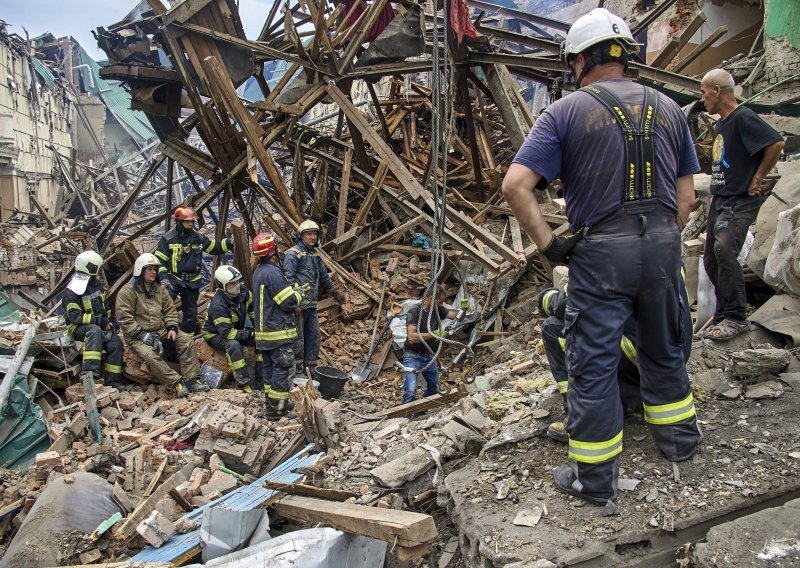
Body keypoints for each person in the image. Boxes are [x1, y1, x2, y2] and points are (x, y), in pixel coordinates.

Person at [502, 7, 702, 505]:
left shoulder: (566, 112)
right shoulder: (671, 108)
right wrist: (657, 238)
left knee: (591, 361)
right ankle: (679, 443)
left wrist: (552, 247)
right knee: (663, 345)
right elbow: (688, 200)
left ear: (581, 60)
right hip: (661, 247)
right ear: (625, 55)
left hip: (601, 253)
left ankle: (594, 480)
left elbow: (515, 186)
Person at [538, 275, 693, 442]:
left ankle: (584, 418)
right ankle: (631, 398)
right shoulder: (664, 251)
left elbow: (566, 304)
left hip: (640, 355)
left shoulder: (604, 258)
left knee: (553, 328)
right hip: (674, 353)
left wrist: (545, 297)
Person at [699, 69, 784, 340]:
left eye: (703, 92)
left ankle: (736, 316)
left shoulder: (743, 118)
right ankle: (723, 314)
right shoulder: (723, 123)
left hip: (740, 200)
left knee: (724, 249)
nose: (703, 99)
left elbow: (776, 142)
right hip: (722, 198)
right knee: (712, 261)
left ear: (716, 90)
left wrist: (757, 178)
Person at [116, 253, 210, 397]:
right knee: (151, 356)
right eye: (150, 269)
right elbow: (124, 317)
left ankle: (192, 380)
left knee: (186, 341)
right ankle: (176, 382)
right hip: (136, 336)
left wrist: (172, 327)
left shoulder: (159, 289)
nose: (153, 272)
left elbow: (169, 310)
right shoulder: (127, 291)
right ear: (140, 270)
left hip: (160, 329)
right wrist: (141, 334)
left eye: (155, 269)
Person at [155, 206, 234, 334]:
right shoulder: (168, 239)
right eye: (187, 221)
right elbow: (159, 261)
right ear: (179, 222)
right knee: (164, 306)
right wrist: (164, 279)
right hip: (173, 279)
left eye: (192, 221)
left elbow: (214, 248)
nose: (191, 224)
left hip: (192, 281)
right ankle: (163, 334)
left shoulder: (198, 238)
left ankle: (187, 338)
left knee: (191, 313)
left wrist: (229, 243)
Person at [283, 220, 346, 373]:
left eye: (315, 234)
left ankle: (310, 368)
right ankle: (296, 370)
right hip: (298, 304)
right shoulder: (293, 254)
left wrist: (334, 291)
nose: (312, 237)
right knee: (298, 338)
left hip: (310, 303)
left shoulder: (314, 254)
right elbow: (287, 280)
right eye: (309, 234)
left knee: (313, 336)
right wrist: (293, 304)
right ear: (301, 236)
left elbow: (323, 276)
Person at [252, 232, 303, 420]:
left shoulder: (259, 271)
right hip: (278, 334)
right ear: (271, 250)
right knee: (284, 371)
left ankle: (272, 405)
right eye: (276, 247)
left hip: (265, 336)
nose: (279, 250)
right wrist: (299, 292)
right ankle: (277, 410)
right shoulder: (273, 273)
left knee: (270, 373)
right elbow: (288, 302)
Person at [62, 250, 127, 390]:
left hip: (97, 324)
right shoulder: (72, 291)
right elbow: (75, 317)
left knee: (115, 342)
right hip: (77, 328)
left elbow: (104, 307)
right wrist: (99, 321)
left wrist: (110, 322)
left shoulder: (95, 285)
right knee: (94, 331)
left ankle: (113, 381)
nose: (98, 271)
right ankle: (90, 377)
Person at [403, 285, 468, 404]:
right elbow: (411, 337)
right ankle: (404, 419)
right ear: (431, 298)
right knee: (410, 390)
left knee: (435, 387)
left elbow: (457, 318)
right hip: (413, 355)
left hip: (428, 355)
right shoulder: (415, 311)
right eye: (440, 302)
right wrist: (434, 334)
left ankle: (420, 411)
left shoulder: (438, 309)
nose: (442, 305)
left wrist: (464, 310)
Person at [202, 265, 263, 392]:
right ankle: (243, 381)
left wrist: (257, 328)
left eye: (237, 282)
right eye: (232, 284)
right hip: (215, 335)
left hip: (234, 329)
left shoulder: (244, 292)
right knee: (233, 345)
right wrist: (251, 334)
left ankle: (261, 378)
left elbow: (252, 309)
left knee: (261, 340)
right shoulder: (218, 306)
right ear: (222, 285)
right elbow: (227, 334)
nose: (236, 286)